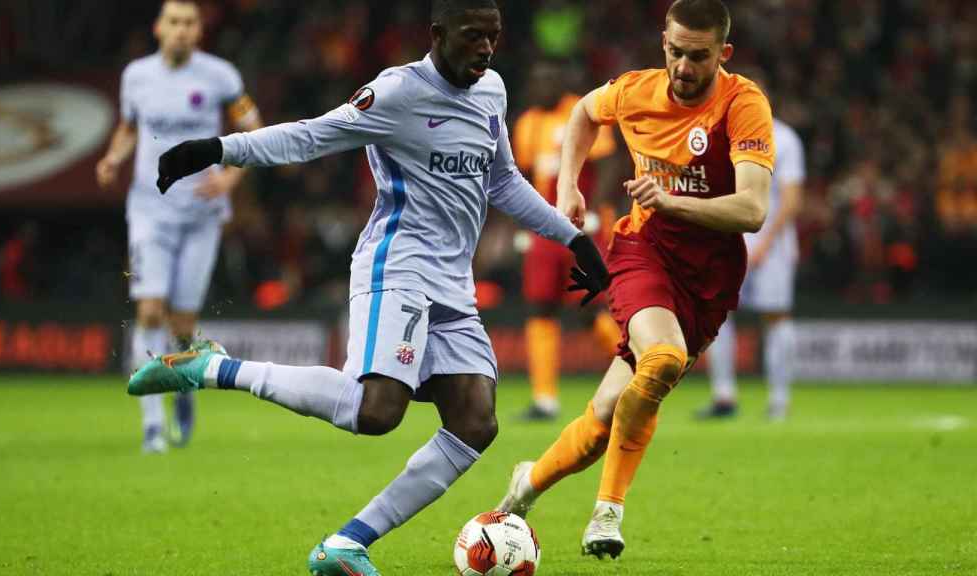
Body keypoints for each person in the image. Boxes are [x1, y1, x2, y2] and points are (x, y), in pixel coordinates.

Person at [128, 1, 609, 574]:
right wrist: (217, 148)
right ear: (437, 34)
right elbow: (311, 137)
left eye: (494, 37)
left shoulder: (492, 91)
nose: (485, 48)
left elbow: (501, 180)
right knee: (377, 411)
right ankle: (212, 368)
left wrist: (573, 239)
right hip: (396, 268)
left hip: (453, 285)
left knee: (476, 421)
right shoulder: (397, 93)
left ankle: (345, 544)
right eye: (473, 36)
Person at [496, 0, 774, 561]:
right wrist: (566, 189)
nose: (683, 67)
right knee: (663, 357)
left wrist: (672, 200)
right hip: (643, 251)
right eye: (675, 51)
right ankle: (607, 512)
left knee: (603, 418)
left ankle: (525, 484)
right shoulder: (633, 90)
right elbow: (583, 116)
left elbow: (751, 211)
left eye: (698, 57)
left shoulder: (743, 104)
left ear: (723, 54)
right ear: (663, 43)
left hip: (709, 279)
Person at [95, 0, 263, 453]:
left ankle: (185, 390)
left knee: (184, 325)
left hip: (202, 217)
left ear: (199, 31)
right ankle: (153, 425)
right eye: (174, 22)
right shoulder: (137, 76)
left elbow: (251, 125)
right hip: (150, 210)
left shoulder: (221, 76)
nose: (182, 30)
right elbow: (129, 127)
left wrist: (230, 176)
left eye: (190, 23)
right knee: (150, 311)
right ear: (158, 27)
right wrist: (114, 156)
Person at [513, 60, 622, 421]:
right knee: (539, 307)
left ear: (561, 83)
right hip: (544, 230)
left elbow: (607, 165)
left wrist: (596, 211)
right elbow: (523, 177)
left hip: (583, 226)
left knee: (592, 309)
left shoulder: (584, 112)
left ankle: (633, 368)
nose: (540, 88)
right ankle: (544, 399)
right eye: (535, 81)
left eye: (547, 80)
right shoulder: (527, 123)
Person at [702, 109, 805, 421]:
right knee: (716, 315)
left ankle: (779, 399)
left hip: (771, 246)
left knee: (776, 316)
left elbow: (791, 198)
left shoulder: (784, 138)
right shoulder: (721, 136)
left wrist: (765, 244)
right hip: (728, 240)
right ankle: (724, 396)